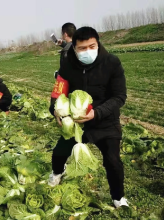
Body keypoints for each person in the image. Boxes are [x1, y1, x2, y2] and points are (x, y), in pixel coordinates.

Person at [48, 27, 128, 208]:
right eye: (82, 48)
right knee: (59, 152)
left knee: (113, 161)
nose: (87, 51)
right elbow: (58, 90)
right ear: (74, 48)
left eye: (92, 46)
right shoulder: (68, 64)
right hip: (78, 123)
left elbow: (119, 97)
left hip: (105, 120)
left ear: (98, 43)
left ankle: (118, 198)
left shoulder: (112, 63)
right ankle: (57, 173)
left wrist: (97, 113)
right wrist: (55, 109)